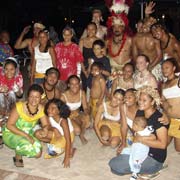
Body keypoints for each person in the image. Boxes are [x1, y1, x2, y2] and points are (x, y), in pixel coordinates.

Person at [109, 86, 169, 179]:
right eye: (140, 99)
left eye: (144, 100)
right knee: (115, 165)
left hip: (154, 158)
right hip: (141, 150)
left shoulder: (159, 119)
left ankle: (154, 169)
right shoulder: (140, 112)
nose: (140, 102)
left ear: (152, 102)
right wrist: (128, 143)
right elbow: (135, 131)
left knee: (116, 165)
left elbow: (162, 145)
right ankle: (140, 170)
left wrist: (140, 139)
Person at [2, 84, 49, 167]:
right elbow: (9, 125)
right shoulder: (19, 106)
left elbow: (46, 124)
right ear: (28, 97)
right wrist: (27, 136)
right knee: (26, 145)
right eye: (31, 96)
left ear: (41, 97)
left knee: (38, 153)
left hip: (28, 133)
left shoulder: (41, 109)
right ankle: (18, 155)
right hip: (11, 133)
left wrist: (45, 129)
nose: (34, 99)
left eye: (37, 97)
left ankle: (19, 148)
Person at [35, 98, 75, 168]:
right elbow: (48, 126)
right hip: (57, 134)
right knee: (37, 134)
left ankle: (70, 148)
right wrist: (54, 129)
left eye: (53, 108)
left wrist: (66, 158)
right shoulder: (49, 115)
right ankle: (59, 144)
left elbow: (68, 139)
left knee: (51, 152)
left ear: (59, 110)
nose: (49, 110)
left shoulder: (63, 121)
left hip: (67, 137)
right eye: (48, 108)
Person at [121, 116, 155, 180]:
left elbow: (153, 137)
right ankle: (124, 158)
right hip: (135, 147)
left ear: (137, 126)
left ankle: (135, 173)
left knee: (136, 160)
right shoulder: (140, 130)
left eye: (133, 124)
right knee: (125, 150)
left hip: (141, 149)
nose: (132, 126)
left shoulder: (145, 131)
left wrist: (142, 138)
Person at [106, 0, 132, 78]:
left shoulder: (130, 40)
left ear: (124, 27)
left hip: (127, 73)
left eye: (119, 26)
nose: (116, 29)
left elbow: (135, 56)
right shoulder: (107, 41)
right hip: (112, 72)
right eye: (114, 26)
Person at [60, 75, 90, 144]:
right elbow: (61, 112)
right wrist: (70, 115)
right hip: (67, 116)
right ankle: (77, 129)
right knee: (77, 131)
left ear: (79, 84)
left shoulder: (82, 93)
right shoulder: (63, 96)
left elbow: (85, 107)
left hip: (78, 114)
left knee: (87, 120)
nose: (75, 86)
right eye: (72, 84)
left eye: (76, 84)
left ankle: (81, 135)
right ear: (68, 85)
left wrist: (86, 113)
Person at [132, 17, 163, 82]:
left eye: (148, 26)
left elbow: (159, 55)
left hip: (154, 66)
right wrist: (139, 66)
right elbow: (134, 56)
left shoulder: (155, 38)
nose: (145, 27)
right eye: (144, 25)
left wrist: (150, 67)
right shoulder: (135, 38)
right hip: (140, 66)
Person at [55, 26, 84, 92]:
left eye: (68, 35)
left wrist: (78, 76)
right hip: (60, 77)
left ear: (71, 35)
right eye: (65, 34)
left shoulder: (75, 47)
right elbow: (55, 61)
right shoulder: (58, 46)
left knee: (71, 96)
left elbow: (79, 62)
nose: (66, 36)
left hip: (72, 78)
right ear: (62, 35)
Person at [161, 58, 180, 152]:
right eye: (163, 68)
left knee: (178, 148)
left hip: (179, 119)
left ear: (174, 68)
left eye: (167, 67)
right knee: (163, 144)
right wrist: (165, 115)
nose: (164, 70)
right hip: (170, 119)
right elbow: (163, 102)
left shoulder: (179, 80)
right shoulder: (163, 85)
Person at [79, 22, 99, 90]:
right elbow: (80, 56)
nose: (90, 31)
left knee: (94, 89)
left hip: (96, 68)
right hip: (83, 67)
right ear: (86, 30)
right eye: (88, 29)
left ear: (96, 30)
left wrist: (91, 69)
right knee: (83, 88)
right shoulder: (82, 41)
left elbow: (102, 57)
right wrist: (84, 71)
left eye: (92, 29)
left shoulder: (99, 41)